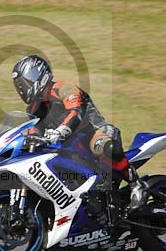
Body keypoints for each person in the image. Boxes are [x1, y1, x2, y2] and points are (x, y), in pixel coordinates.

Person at [11, 55, 147, 212]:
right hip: (68, 146)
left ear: (38, 75)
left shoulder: (63, 87)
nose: (22, 89)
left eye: (24, 83)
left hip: (94, 131)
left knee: (102, 146)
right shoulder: (34, 109)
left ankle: (136, 184)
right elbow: (33, 131)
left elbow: (76, 112)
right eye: (19, 86)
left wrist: (60, 130)